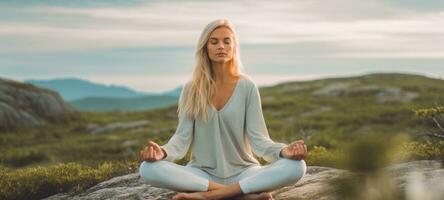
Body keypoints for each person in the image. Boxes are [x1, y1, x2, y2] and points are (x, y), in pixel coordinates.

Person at [139, 18, 308, 200]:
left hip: (245, 172)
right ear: (205, 47)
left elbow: (260, 141)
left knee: (297, 167)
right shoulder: (192, 89)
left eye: (227, 41)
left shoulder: (247, 87)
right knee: (148, 169)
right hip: (202, 174)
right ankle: (240, 194)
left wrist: (284, 151)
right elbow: (181, 139)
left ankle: (208, 196)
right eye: (214, 41)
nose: (221, 46)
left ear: (234, 47)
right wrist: (162, 153)